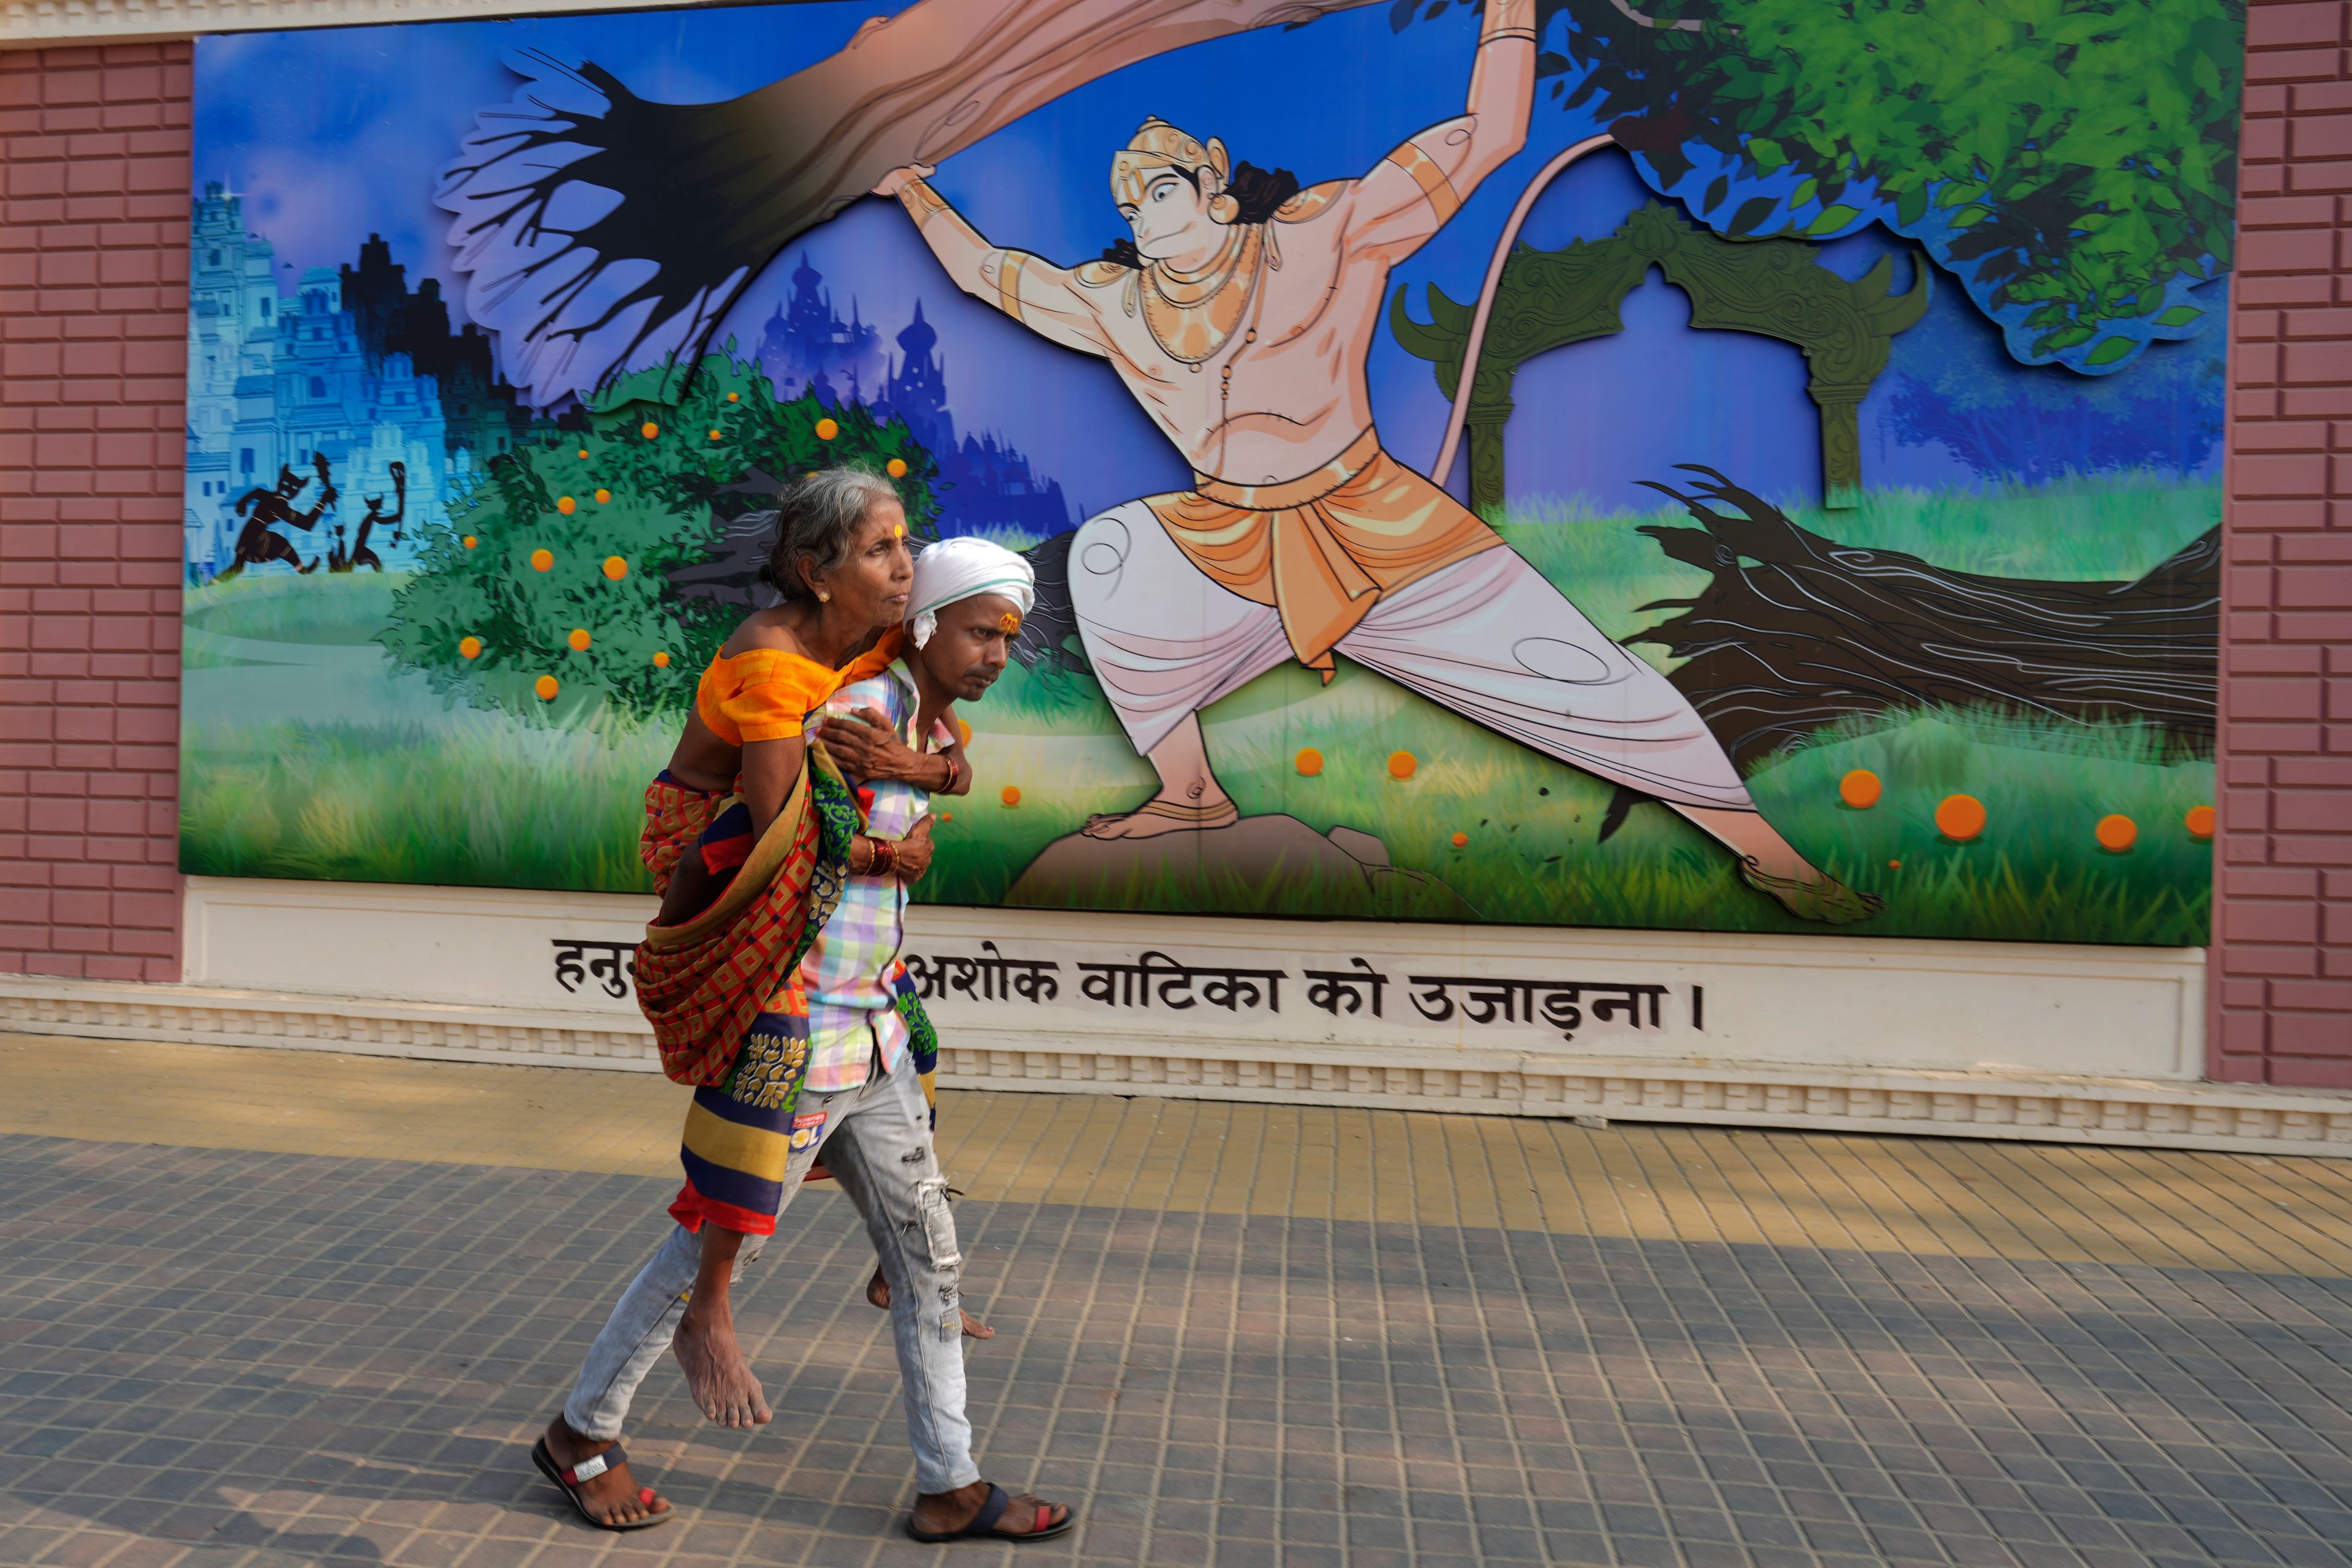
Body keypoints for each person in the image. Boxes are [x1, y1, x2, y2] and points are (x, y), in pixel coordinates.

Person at [873, 0, 1877, 923]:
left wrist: (1512, 10)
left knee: (1588, 683)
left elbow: (1491, 136)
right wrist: (910, 192)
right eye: (1130, 205)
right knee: (1112, 555)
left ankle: (1768, 853)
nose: (1143, 213)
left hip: (1378, 521)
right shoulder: (1115, 304)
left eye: (1163, 189)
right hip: (1228, 538)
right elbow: (987, 277)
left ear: (1212, 180)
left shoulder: (1320, 239)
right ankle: (1189, 793)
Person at [533, 489, 1071, 1545]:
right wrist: (894, 846)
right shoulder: (823, 691)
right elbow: (781, 828)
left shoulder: (900, 700)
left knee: (929, 1259)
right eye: (883, 550)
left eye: (906, 545)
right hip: (801, 1020)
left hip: (869, 1024)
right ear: (833, 576)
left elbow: (948, 766)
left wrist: (925, 779)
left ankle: (950, 1483)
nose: (903, 563)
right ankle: (580, 1433)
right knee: (701, 1252)